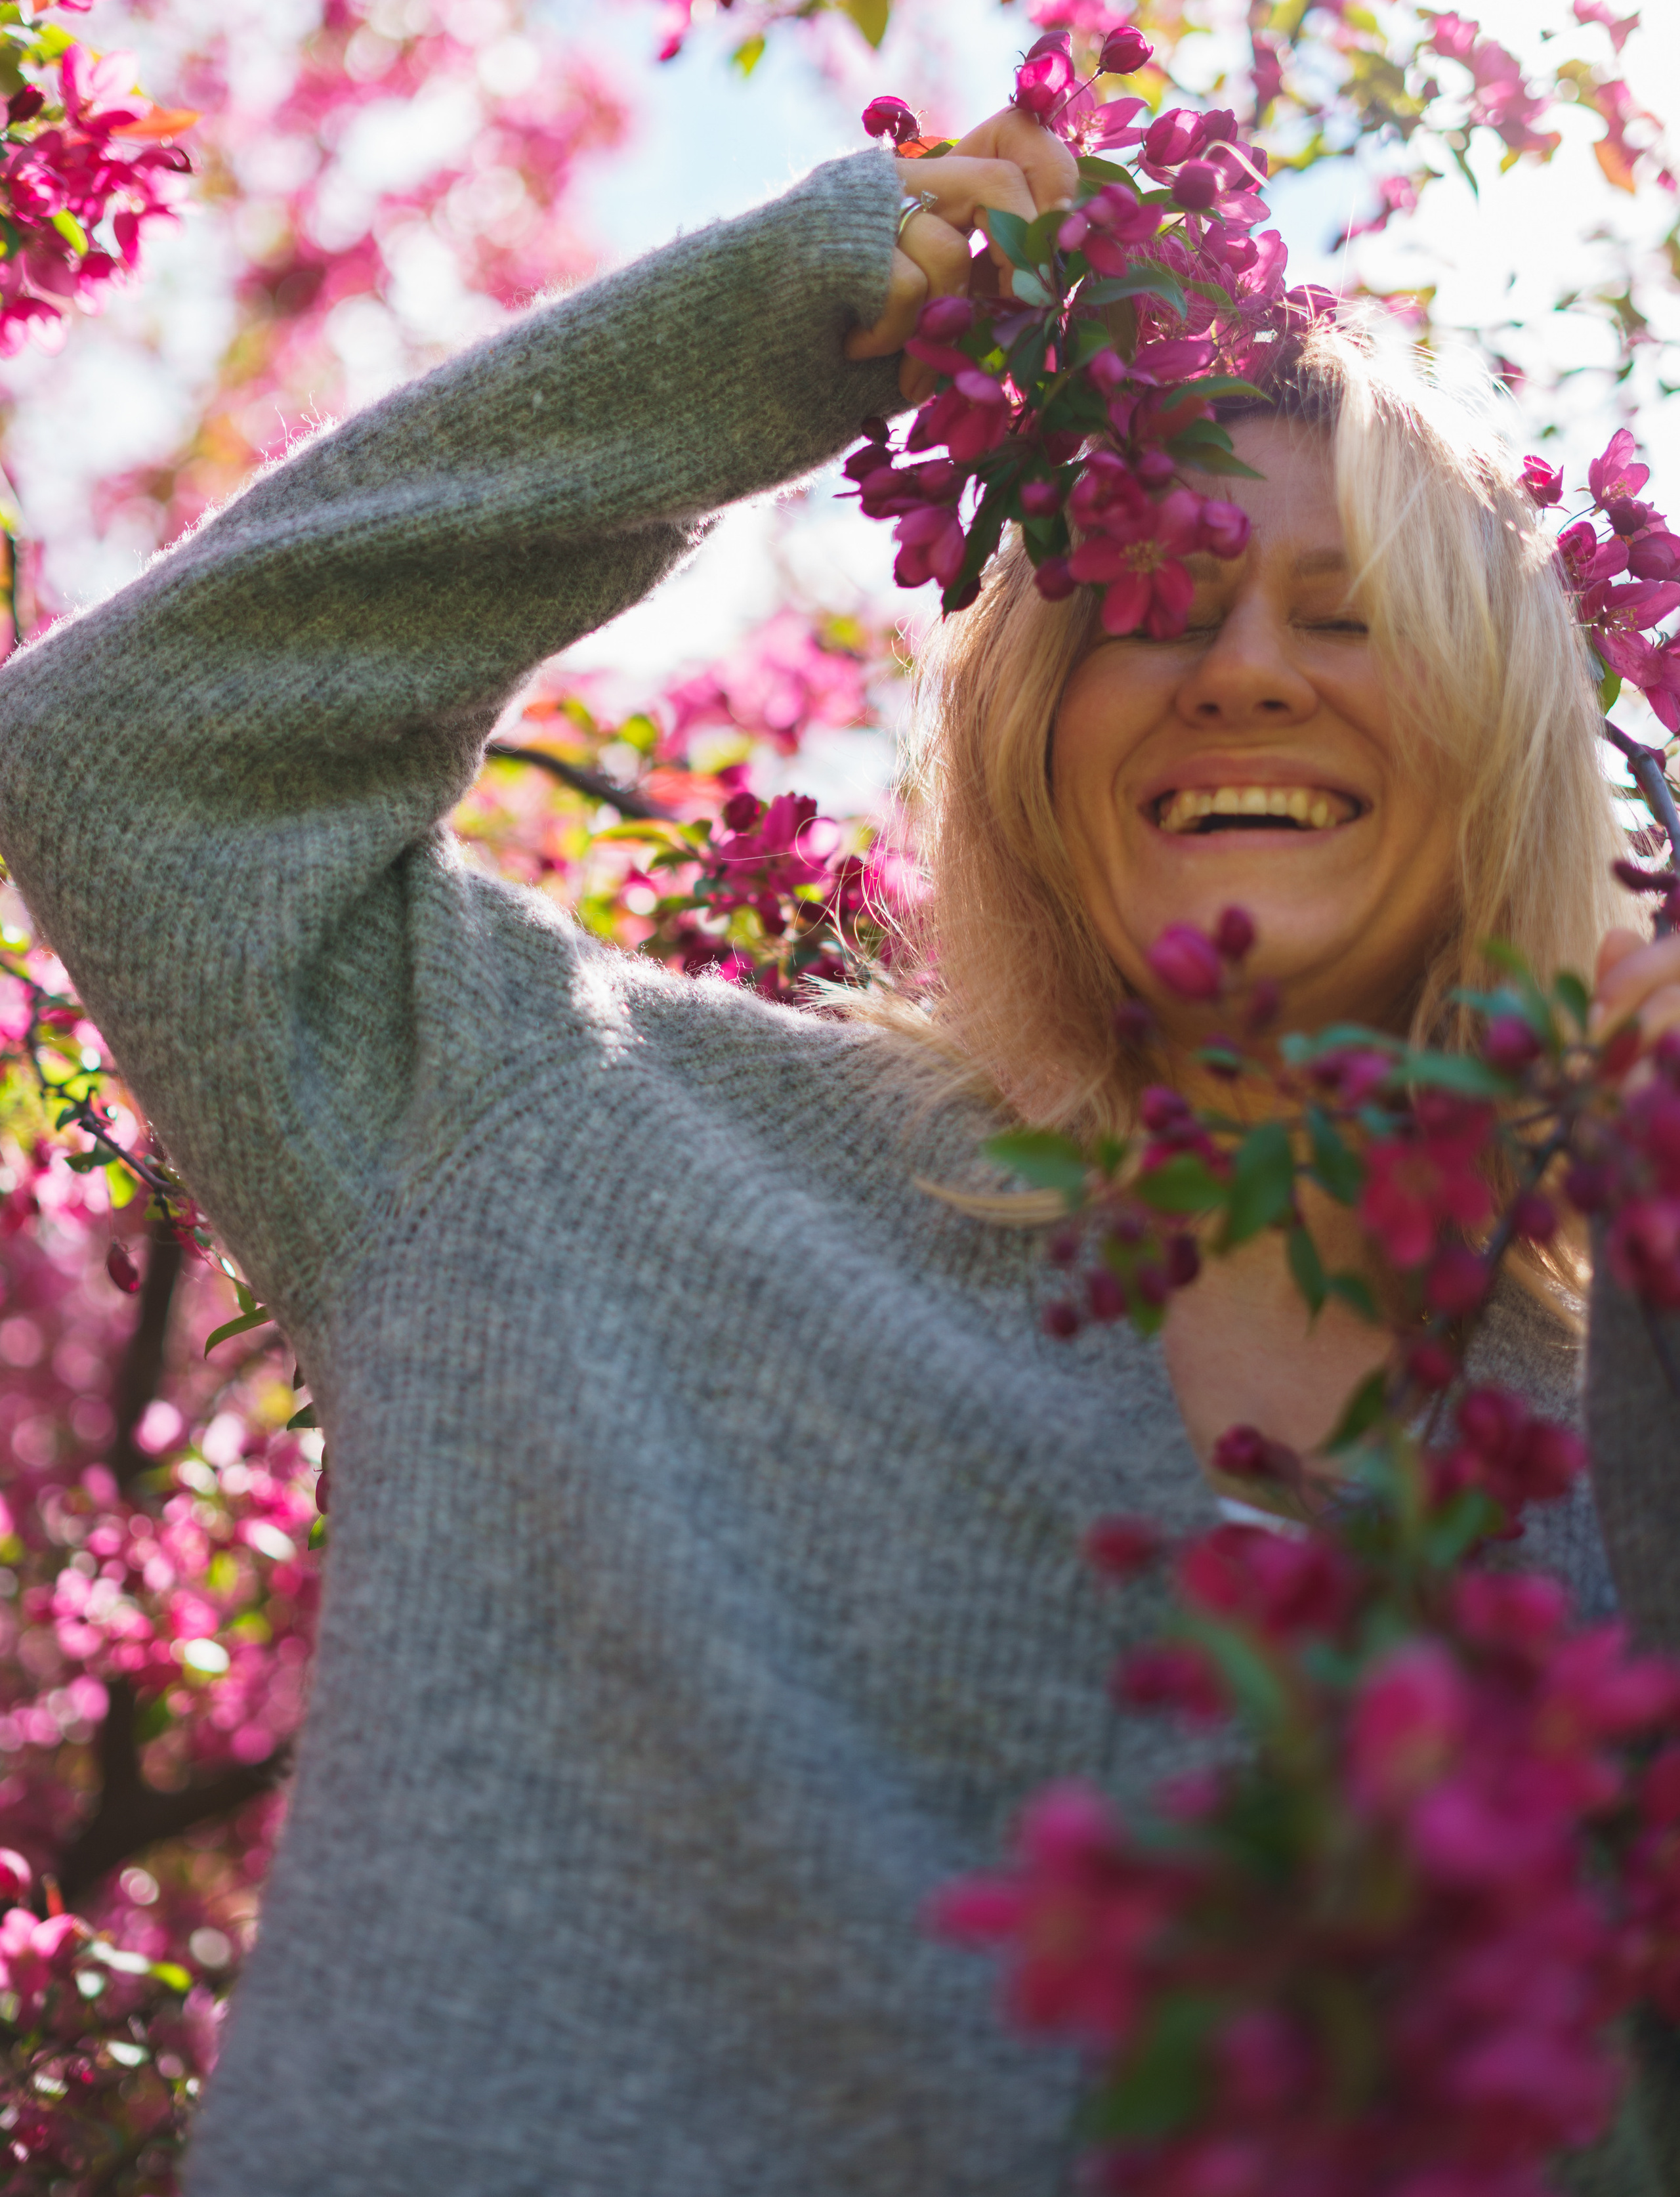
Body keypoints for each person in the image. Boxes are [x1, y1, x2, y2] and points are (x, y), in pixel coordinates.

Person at [1, 105, 1678, 2195]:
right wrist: (800, 320)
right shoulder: (576, 1143)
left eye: (1350, 620)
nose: (1242, 672)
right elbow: (138, 764)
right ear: (1034, 730)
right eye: (1153, 608)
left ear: (1502, 732)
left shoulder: (1614, 1420)